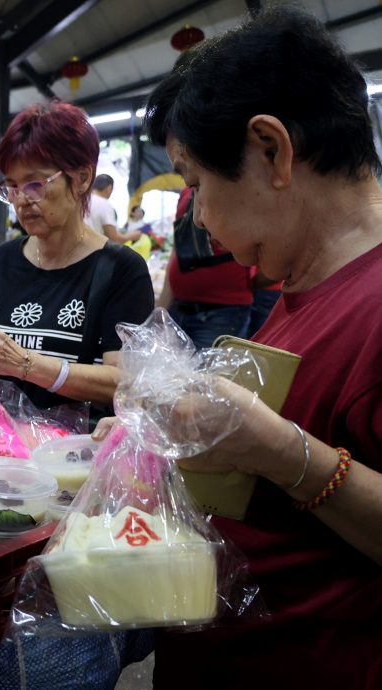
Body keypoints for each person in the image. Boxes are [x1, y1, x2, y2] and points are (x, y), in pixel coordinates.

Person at [128, 7, 382, 687]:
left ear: (270, 149)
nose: (201, 224)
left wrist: (280, 452)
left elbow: (286, 452)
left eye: (194, 185)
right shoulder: (300, 283)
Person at [0, 102, 154, 413]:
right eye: (11, 187)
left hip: (75, 453)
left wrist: (26, 364)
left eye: (35, 184)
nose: (21, 200)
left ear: (81, 178)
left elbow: (126, 383)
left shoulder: (120, 270)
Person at [158, 187, 255, 348]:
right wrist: (162, 307)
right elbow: (178, 249)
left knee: (205, 372)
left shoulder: (236, 188)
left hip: (222, 312)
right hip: (179, 308)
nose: (198, 219)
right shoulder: (186, 193)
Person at [84, 174, 142, 244]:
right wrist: (132, 236)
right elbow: (114, 238)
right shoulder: (104, 204)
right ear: (109, 188)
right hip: (92, 250)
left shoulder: (82, 199)